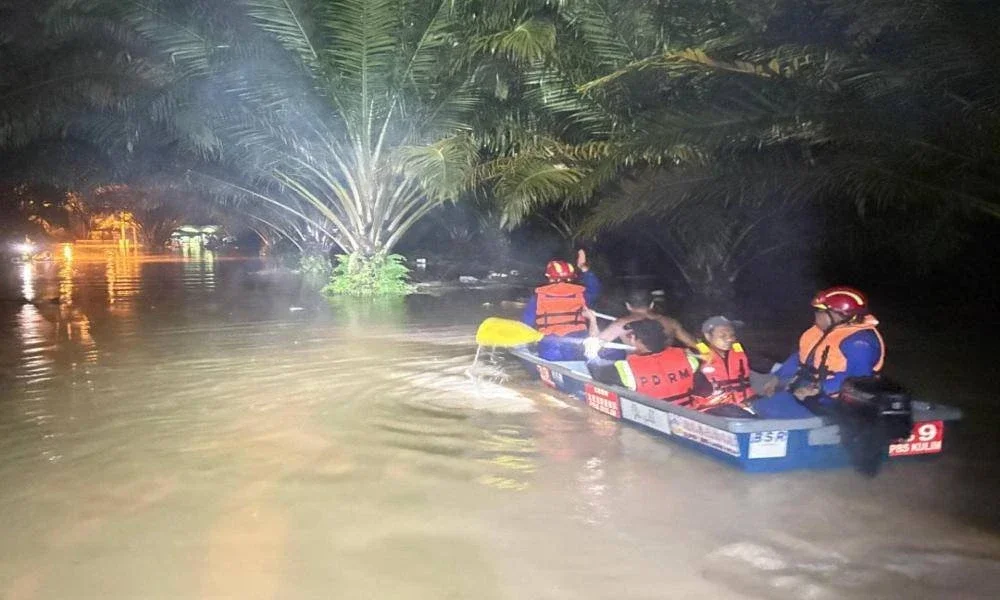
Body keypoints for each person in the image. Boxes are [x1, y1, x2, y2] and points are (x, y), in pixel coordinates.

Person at [752, 286, 885, 419]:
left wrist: (818, 389)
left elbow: (857, 380)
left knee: (768, 409)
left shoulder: (859, 344)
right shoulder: (824, 332)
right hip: (807, 387)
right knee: (758, 398)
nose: (816, 314)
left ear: (840, 315)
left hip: (834, 402)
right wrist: (777, 378)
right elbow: (801, 358)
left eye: (820, 310)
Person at [586, 318, 708, 402]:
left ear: (634, 339)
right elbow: (705, 389)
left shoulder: (627, 369)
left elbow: (596, 371)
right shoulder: (689, 359)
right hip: (686, 414)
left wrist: (590, 351)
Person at [522, 249, 601, 360]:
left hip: (550, 344)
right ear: (572, 277)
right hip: (576, 342)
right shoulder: (581, 294)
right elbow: (595, 288)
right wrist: (584, 268)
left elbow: (527, 323)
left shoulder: (538, 296)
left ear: (549, 277)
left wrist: (526, 342)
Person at [593, 289, 700, 353]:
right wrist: (708, 352)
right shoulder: (670, 322)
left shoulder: (620, 324)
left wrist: (592, 320)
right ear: (652, 304)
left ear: (628, 306)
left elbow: (593, 346)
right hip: (669, 365)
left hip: (641, 371)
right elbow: (695, 344)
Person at [687, 316, 756, 412]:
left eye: (732, 335)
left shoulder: (739, 351)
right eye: (723, 336)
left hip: (746, 405)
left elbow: (762, 365)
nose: (729, 339)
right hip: (712, 411)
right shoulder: (696, 356)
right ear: (708, 336)